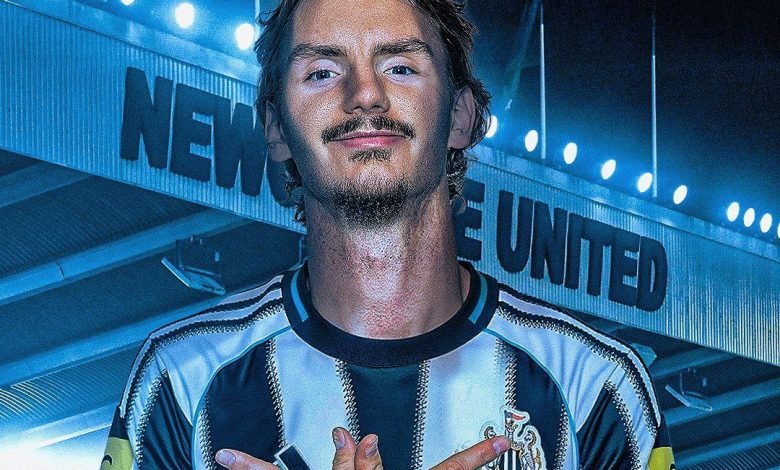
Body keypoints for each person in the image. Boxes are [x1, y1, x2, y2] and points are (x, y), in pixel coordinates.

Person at [102, 0, 675, 468]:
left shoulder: (595, 387)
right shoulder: (180, 380)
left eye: (399, 66)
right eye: (322, 72)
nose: (365, 94)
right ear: (275, 126)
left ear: (460, 115)